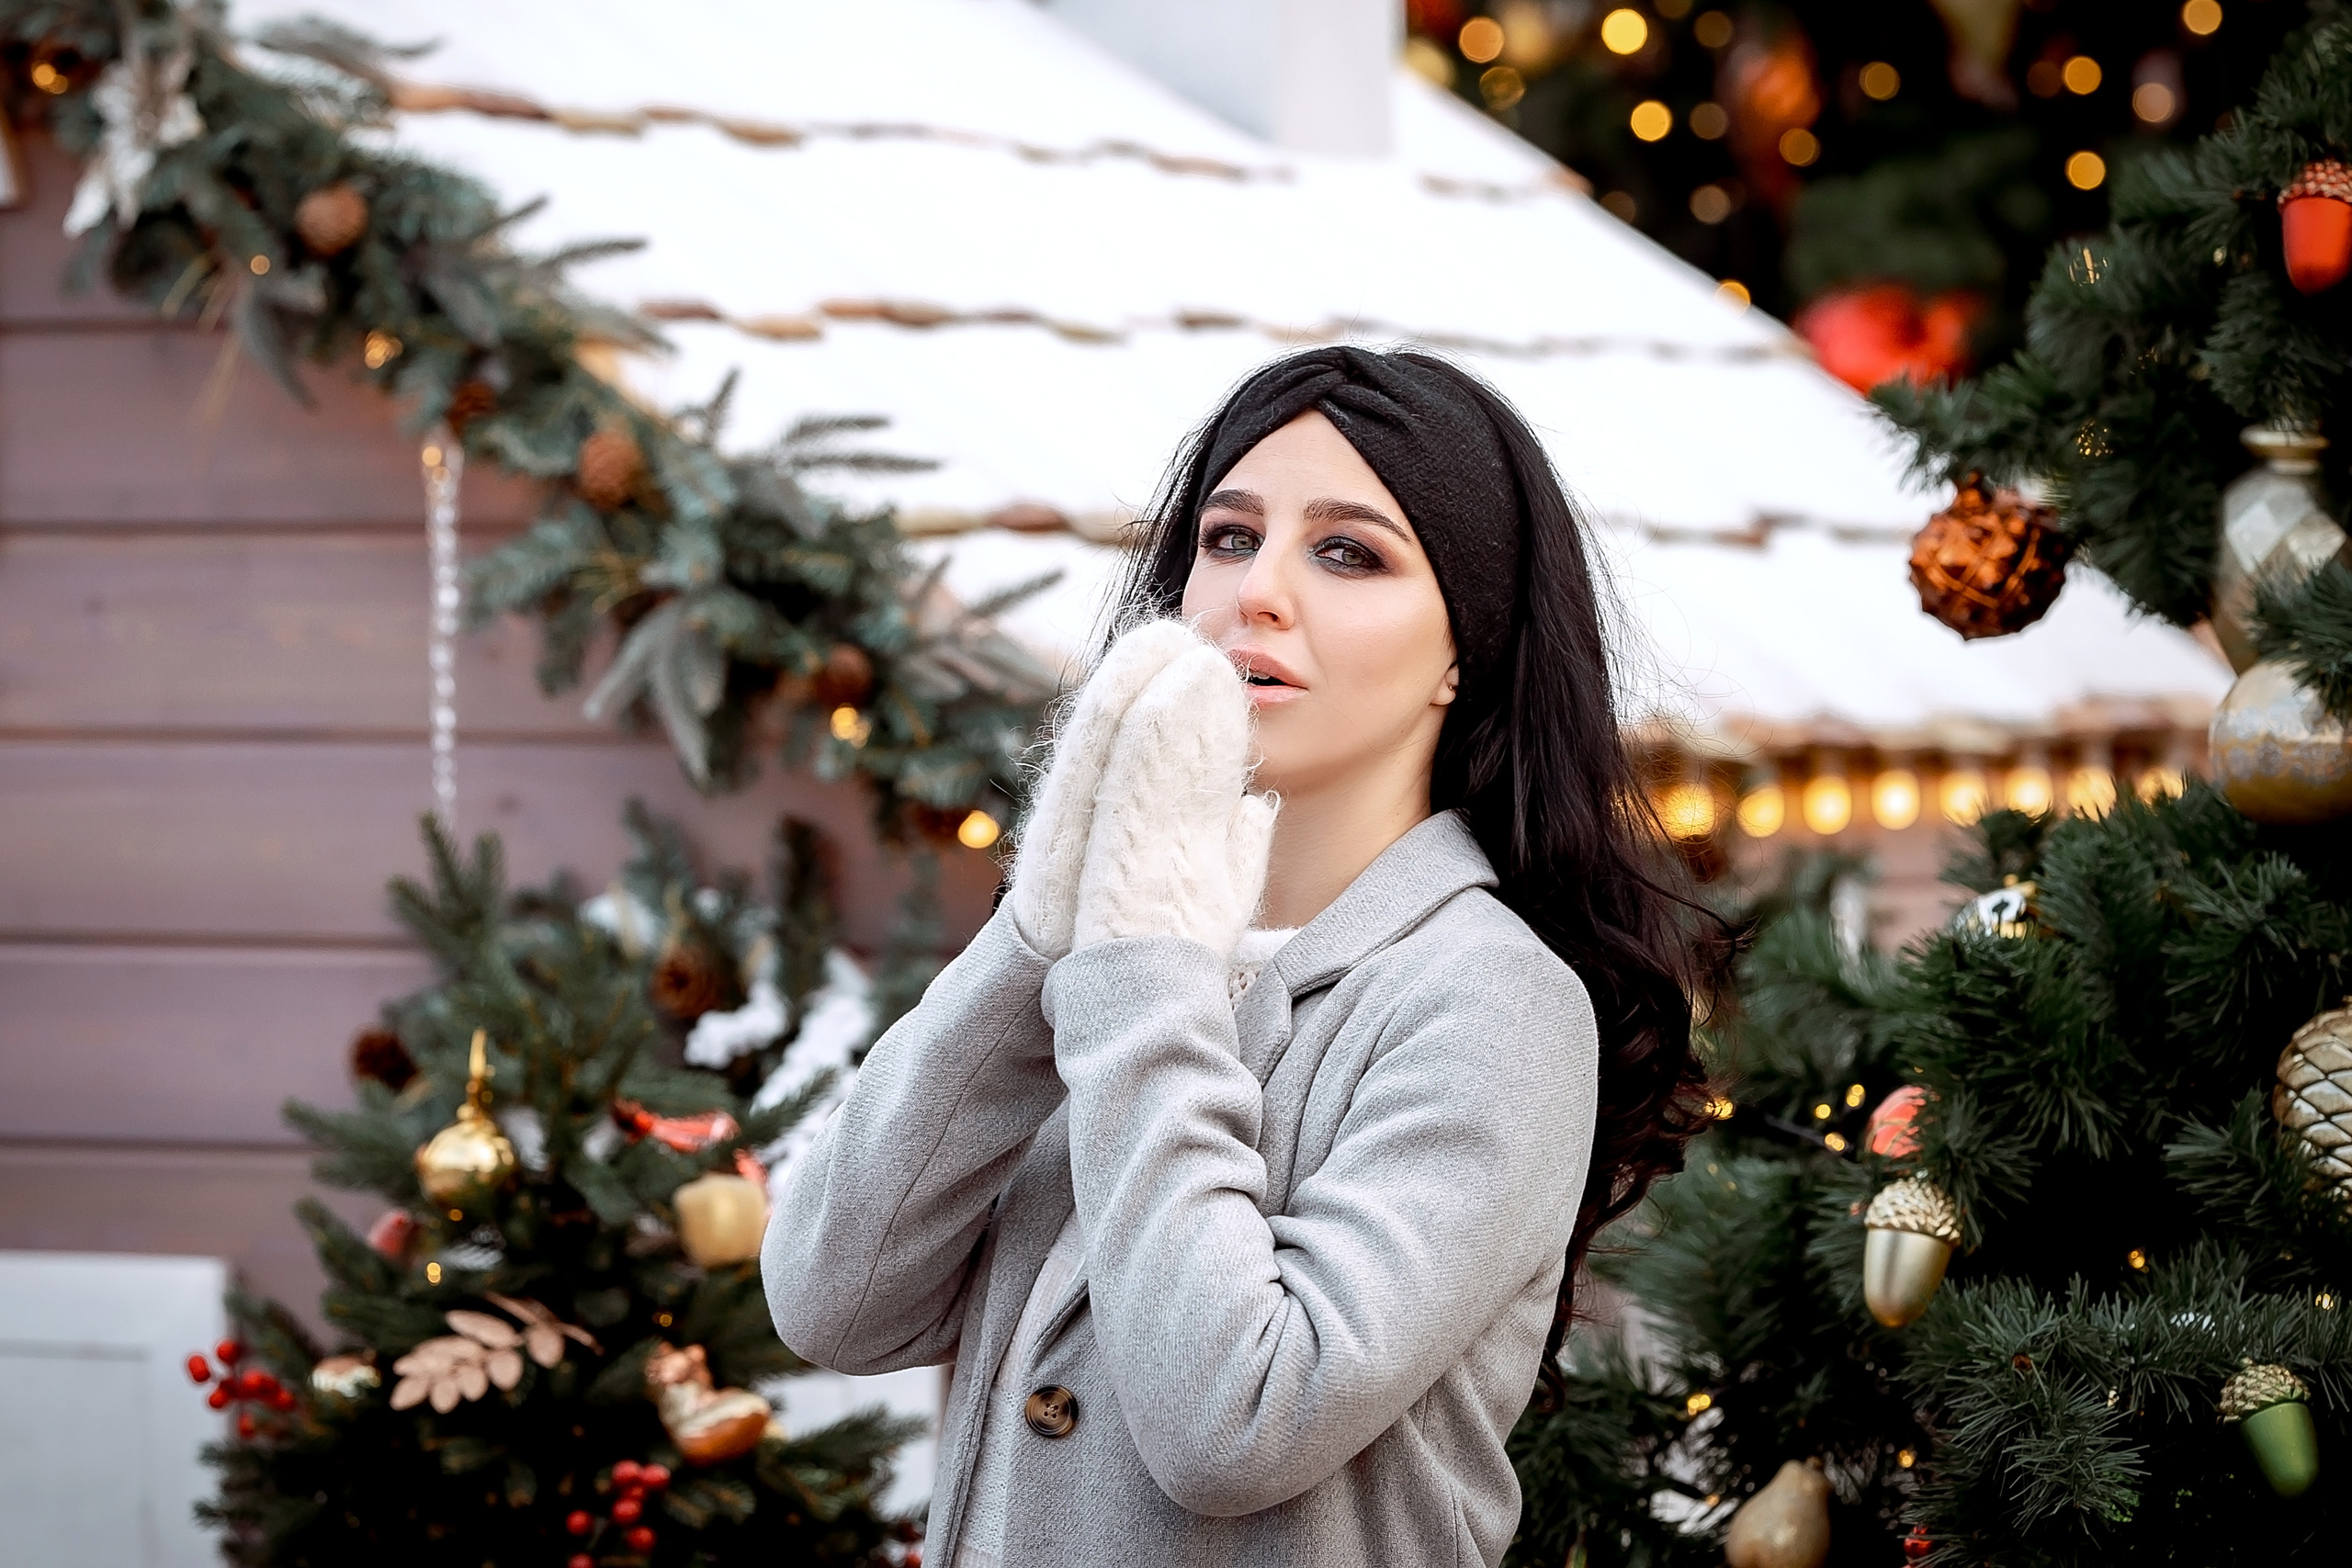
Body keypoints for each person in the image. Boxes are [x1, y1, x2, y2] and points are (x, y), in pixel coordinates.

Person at [764, 346, 1727, 1566]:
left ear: (1467, 647)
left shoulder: (1492, 1001)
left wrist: (1136, 960)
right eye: (1228, 538)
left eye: (1349, 553)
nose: (1256, 592)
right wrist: (1040, 930)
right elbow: (833, 1300)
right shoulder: (1121, 954)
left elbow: (1236, 1423)